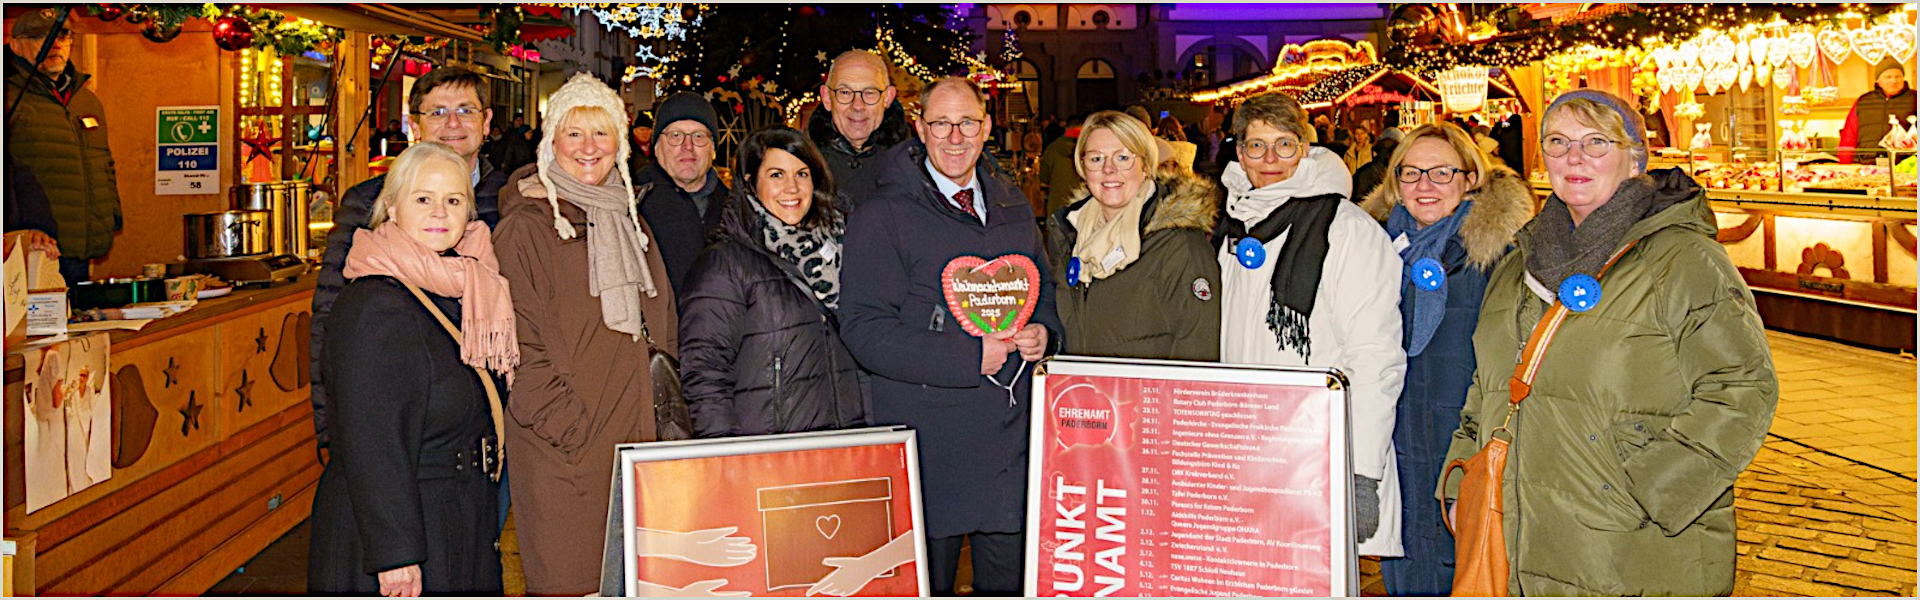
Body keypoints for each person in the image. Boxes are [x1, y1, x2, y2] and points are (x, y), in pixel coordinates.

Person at [1439, 89, 1777, 595]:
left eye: (1597, 142)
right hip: (1517, 531)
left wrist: (1647, 489)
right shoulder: (1517, 263)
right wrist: (1461, 472)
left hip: (1629, 545)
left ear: (1635, 158)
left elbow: (1742, 385)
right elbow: (1485, 380)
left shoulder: (1681, 259)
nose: (1574, 157)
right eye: (1558, 142)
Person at [840, 77, 1061, 596]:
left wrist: (1043, 332)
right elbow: (863, 329)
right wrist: (966, 358)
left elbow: (1044, 288)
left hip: (1008, 441)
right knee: (927, 585)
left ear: (987, 128)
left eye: (967, 123)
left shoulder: (1012, 206)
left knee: (1007, 584)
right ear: (921, 129)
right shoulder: (882, 215)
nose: (955, 136)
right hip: (928, 442)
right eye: (941, 123)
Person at [491, 73, 680, 595]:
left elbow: (663, 329)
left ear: (621, 142)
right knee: (573, 584)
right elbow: (518, 349)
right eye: (574, 134)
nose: (589, 148)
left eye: (602, 133)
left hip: (638, 446)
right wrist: (572, 430)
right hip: (565, 454)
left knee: (639, 584)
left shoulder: (631, 221)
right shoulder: (525, 229)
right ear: (551, 141)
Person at [308, 142, 514, 596]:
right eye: (423, 198)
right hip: (402, 538)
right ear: (392, 207)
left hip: (454, 515)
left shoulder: (462, 285)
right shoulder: (376, 303)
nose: (439, 211)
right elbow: (371, 440)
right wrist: (397, 556)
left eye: (454, 200)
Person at [1213, 92, 1406, 558]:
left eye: (1284, 145)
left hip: (1317, 449)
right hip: (1251, 443)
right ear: (1239, 152)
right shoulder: (1233, 228)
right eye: (1256, 146)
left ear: (1305, 148)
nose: (1270, 159)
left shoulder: (1345, 229)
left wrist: (1361, 472)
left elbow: (1375, 356)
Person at [1358, 123, 1531, 596]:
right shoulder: (1367, 248)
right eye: (1410, 173)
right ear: (1394, 182)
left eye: (1441, 172)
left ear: (1469, 177)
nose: (1425, 185)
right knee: (1403, 549)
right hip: (1392, 433)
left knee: (1471, 563)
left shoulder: (1498, 254)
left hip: (1466, 436)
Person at [313, 66, 509, 457]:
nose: (452, 123)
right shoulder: (370, 201)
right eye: (436, 112)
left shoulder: (512, 200)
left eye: (466, 110)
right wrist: (330, 427)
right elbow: (329, 314)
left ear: (486, 123)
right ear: (415, 125)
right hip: (401, 421)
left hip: (493, 423)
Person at [679, 128, 866, 437]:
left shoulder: (845, 251)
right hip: (768, 453)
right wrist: (725, 454)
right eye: (777, 175)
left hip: (843, 448)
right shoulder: (725, 263)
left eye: (802, 174)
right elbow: (705, 373)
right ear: (751, 182)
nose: (791, 188)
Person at [1046, 111, 1220, 361]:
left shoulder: (1178, 244)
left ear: (1146, 165)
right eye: (1096, 158)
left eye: (1123, 157)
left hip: (1147, 397)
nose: (1109, 169)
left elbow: (1198, 348)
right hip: (1084, 393)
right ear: (1082, 166)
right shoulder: (1070, 234)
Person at [5, 8, 119, 285]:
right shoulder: (9, 97)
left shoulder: (86, 100)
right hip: (29, 250)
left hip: (83, 248)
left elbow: (104, 164)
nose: (54, 44)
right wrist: (14, 233)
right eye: (39, 37)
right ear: (17, 46)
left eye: (62, 35)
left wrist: (111, 217)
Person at [637, 92, 730, 296]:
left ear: (713, 148)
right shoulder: (633, 203)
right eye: (675, 136)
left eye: (698, 136)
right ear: (657, 146)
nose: (687, 147)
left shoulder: (736, 209)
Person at [809, 50, 913, 215]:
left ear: (888, 98)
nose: (857, 105)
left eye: (870, 93)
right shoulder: (801, 161)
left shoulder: (916, 163)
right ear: (827, 98)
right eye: (845, 92)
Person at [1839, 58, 1916, 165]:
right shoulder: (1863, 101)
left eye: (1898, 76)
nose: (1893, 81)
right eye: (1888, 77)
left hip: (1905, 166)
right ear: (1878, 80)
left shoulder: (1915, 98)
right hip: (1866, 165)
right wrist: (1845, 164)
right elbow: (1849, 135)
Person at [1038, 114, 1086, 216]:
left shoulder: (1053, 147)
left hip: (1057, 203)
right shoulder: (1087, 148)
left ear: (1066, 128)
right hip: (1082, 203)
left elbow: (1044, 177)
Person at [1352, 137, 1401, 204]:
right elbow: (1358, 200)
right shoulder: (1366, 173)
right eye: (1395, 154)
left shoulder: (1392, 171)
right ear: (1387, 154)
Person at [626, 111, 655, 179]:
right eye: (642, 130)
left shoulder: (657, 148)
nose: (645, 133)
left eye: (648, 130)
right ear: (635, 131)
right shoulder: (628, 149)